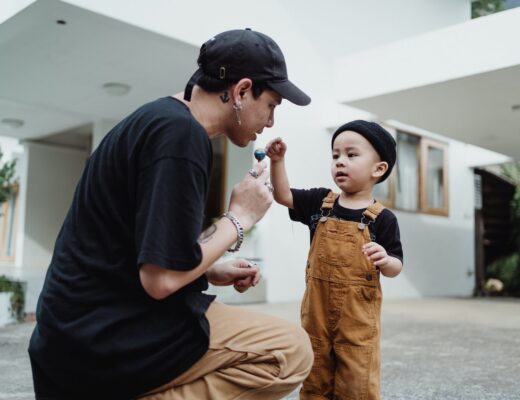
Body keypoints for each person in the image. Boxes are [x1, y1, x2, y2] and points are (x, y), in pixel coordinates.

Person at [28, 28, 314, 400]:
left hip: (74, 333)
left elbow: (138, 247)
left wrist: (208, 269)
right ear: (242, 91)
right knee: (289, 351)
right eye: (272, 105)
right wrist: (240, 217)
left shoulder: (160, 120)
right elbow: (161, 279)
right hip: (105, 338)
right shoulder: (181, 136)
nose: (271, 121)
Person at [266, 120, 404, 400]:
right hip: (316, 313)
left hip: (357, 321)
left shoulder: (383, 218)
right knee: (315, 376)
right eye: (335, 155)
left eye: (351, 155)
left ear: (379, 169)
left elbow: (396, 266)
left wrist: (385, 260)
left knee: (357, 380)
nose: (340, 162)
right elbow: (283, 196)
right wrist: (277, 161)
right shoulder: (320, 202)